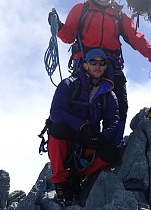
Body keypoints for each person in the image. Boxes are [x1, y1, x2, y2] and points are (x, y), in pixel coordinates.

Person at [48, 0, 151, 145]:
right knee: (81, 104)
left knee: (120, 104)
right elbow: (68, 36)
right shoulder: (81, 9)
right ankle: (80, 145)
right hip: (85, 63)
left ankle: (112, 146)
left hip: (111, 64)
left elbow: (135, 38)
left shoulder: (119, 15)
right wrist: (59, 26)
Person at [47, 48, 120, 206]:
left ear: (106, 67)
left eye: (102, 63)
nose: (97, 66)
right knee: (57, 129)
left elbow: (112, 121)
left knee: (111, 153)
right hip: (68, 137)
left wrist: (102, 137)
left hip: (88, 140)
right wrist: (82, 126)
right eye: (93, 62)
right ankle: (60, 180)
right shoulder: (68, 84)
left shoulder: (109, 94)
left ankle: (78, 175)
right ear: (85, 65)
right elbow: (56, 113)